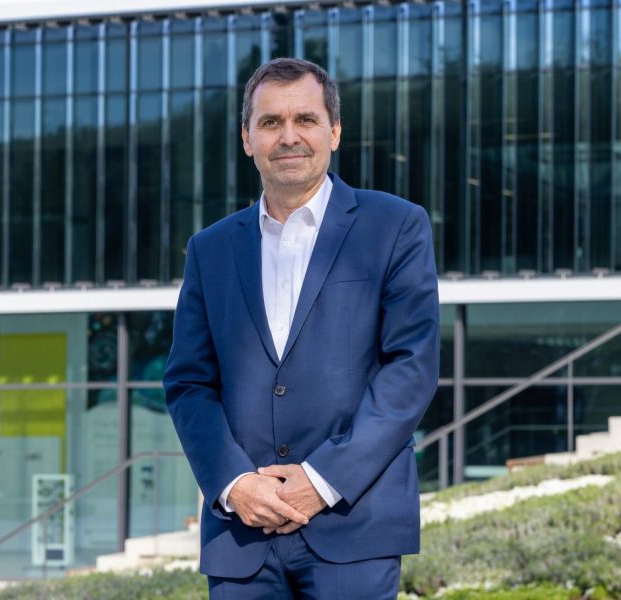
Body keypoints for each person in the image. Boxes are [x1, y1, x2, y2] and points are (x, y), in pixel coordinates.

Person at [163, 57, 439, 599]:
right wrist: (235, 483)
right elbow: (189, 384)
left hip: (354, 527)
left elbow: (410, 367)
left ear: (334, 131)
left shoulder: (396, 226)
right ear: (247, 138)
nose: (288, 137)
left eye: (305, 120)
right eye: (270, 123)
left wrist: (322, 480)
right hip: (242, 535)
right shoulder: (210, 249)